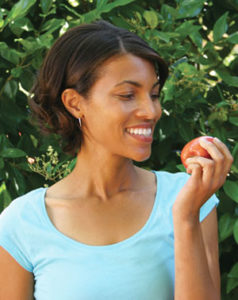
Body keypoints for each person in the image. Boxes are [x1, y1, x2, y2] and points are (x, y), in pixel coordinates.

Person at [0, 20, 233, 300]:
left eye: (154, 95)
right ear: (75, 103)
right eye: (127, 95)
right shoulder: (22, 223)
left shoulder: (191, 197)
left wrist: (185, 218)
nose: (150, 111)